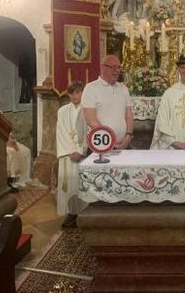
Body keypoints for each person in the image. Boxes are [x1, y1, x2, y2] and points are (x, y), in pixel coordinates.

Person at [81, 55, 134, 149]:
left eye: (119, 67)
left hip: (124, 144)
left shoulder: (123, 88)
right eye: (113, 67)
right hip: (102, 145)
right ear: (103, 67)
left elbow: (129, 115)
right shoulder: (91, 88)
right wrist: (110, 139)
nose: (117, 71)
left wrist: (128, 136)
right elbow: (91, 119)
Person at [56, 81, 88, 228]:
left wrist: (81, 151)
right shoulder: (62, 111)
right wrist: (71, 151)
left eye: (78, 92)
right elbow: (61, 132)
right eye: (71, 93)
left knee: (81, 184)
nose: (74, 96)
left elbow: (89, 132)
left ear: (83, 93)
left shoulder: (88, 110)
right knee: (69, 185)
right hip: (68, 153)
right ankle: (71, 213)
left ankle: (84, 213)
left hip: (82, 152)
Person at [0, 87, 32, 191]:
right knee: (11, 152)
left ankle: (21, 180)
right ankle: (9, 181)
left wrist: (11, 140)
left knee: (26, 151)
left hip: (6, 140)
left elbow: (6, 128)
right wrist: (7, 143)